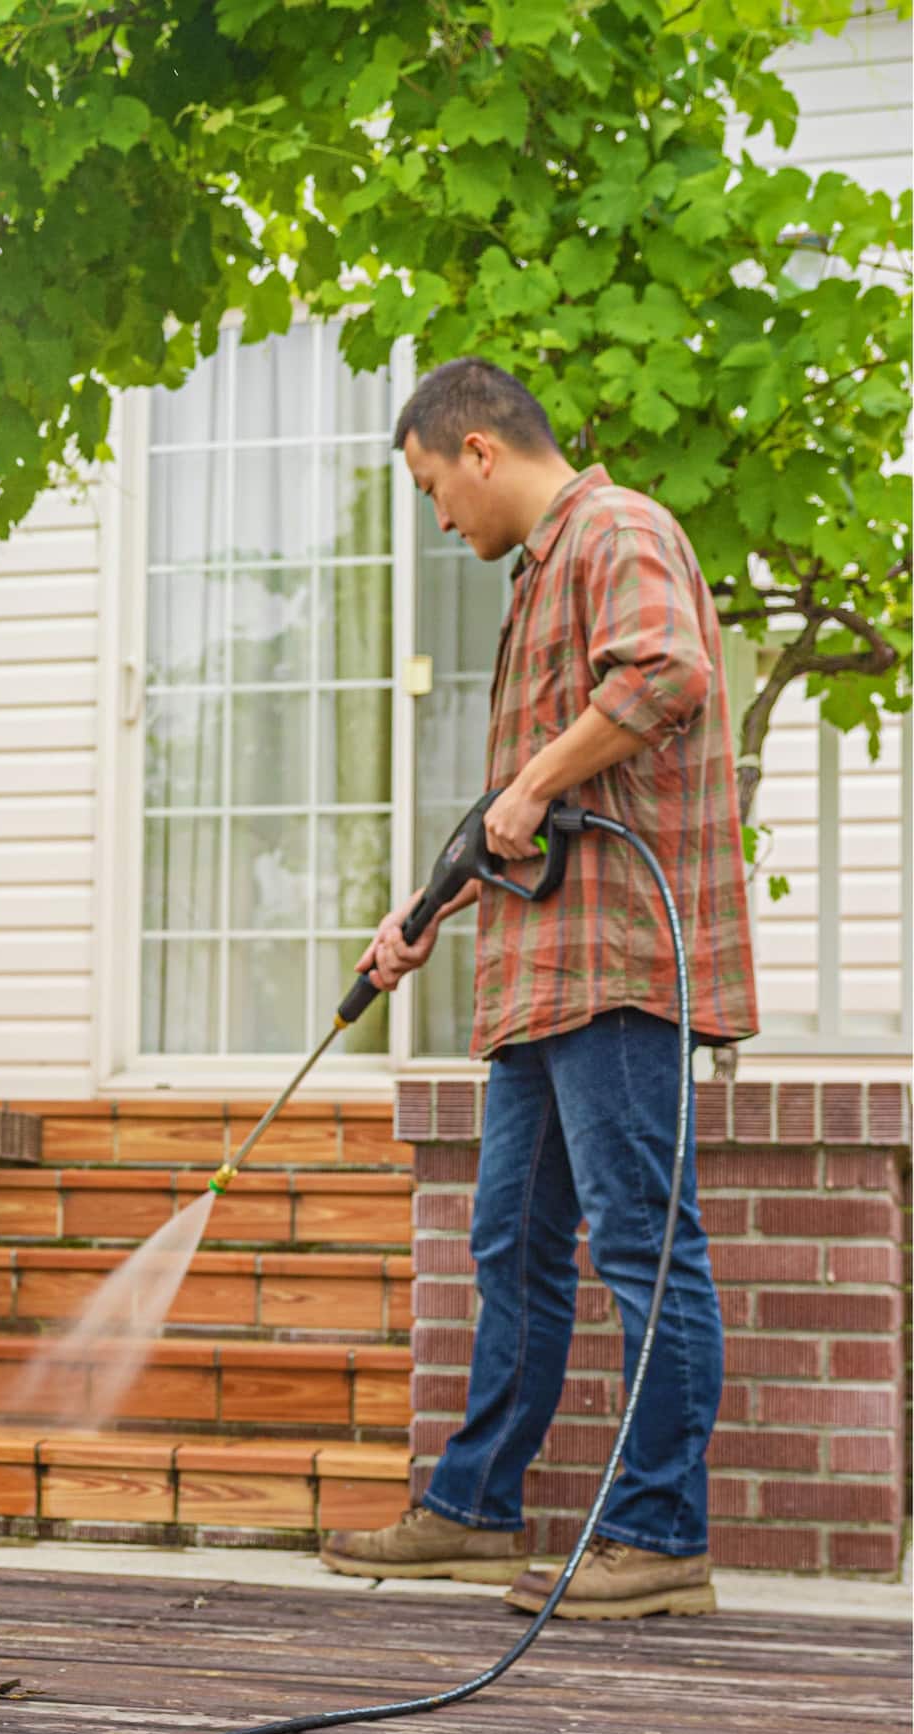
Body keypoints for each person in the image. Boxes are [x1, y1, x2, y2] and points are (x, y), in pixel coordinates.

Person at [320, 358, 756, 1620]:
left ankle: (660, 1533)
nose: (438, 521)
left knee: (643, 1245)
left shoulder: (613, 529)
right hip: (535, 974)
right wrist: (419, 916)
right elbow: (521, 809)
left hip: (616, 963)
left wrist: (524, 786)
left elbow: (663, 671)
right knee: (510, 1241)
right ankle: (470, 1508)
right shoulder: (539, 572)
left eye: (430, 492)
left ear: (475, 448)